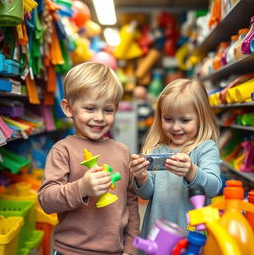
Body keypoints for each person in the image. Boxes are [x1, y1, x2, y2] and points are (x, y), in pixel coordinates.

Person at [38, 62, 140, 255]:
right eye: (90, 108)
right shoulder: (63, 150)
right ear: (69, 109)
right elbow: (46, 200)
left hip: (115, 251)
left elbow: (131, 203)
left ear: (116, 110)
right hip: (69, 251)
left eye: (108, 110)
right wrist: (81, 188)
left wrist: (131, 247)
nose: (100, 117)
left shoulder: (123, 152)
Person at [130, 79, 222, 239]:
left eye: (185, 120)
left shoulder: (205, 148)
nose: (175, 127)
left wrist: (191, 171)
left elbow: (213, 188)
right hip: (157, 235)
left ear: (201, 118)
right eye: (168, 119)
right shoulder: (156, 149)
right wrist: (141, 177)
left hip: (191, 237)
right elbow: (146, 194)